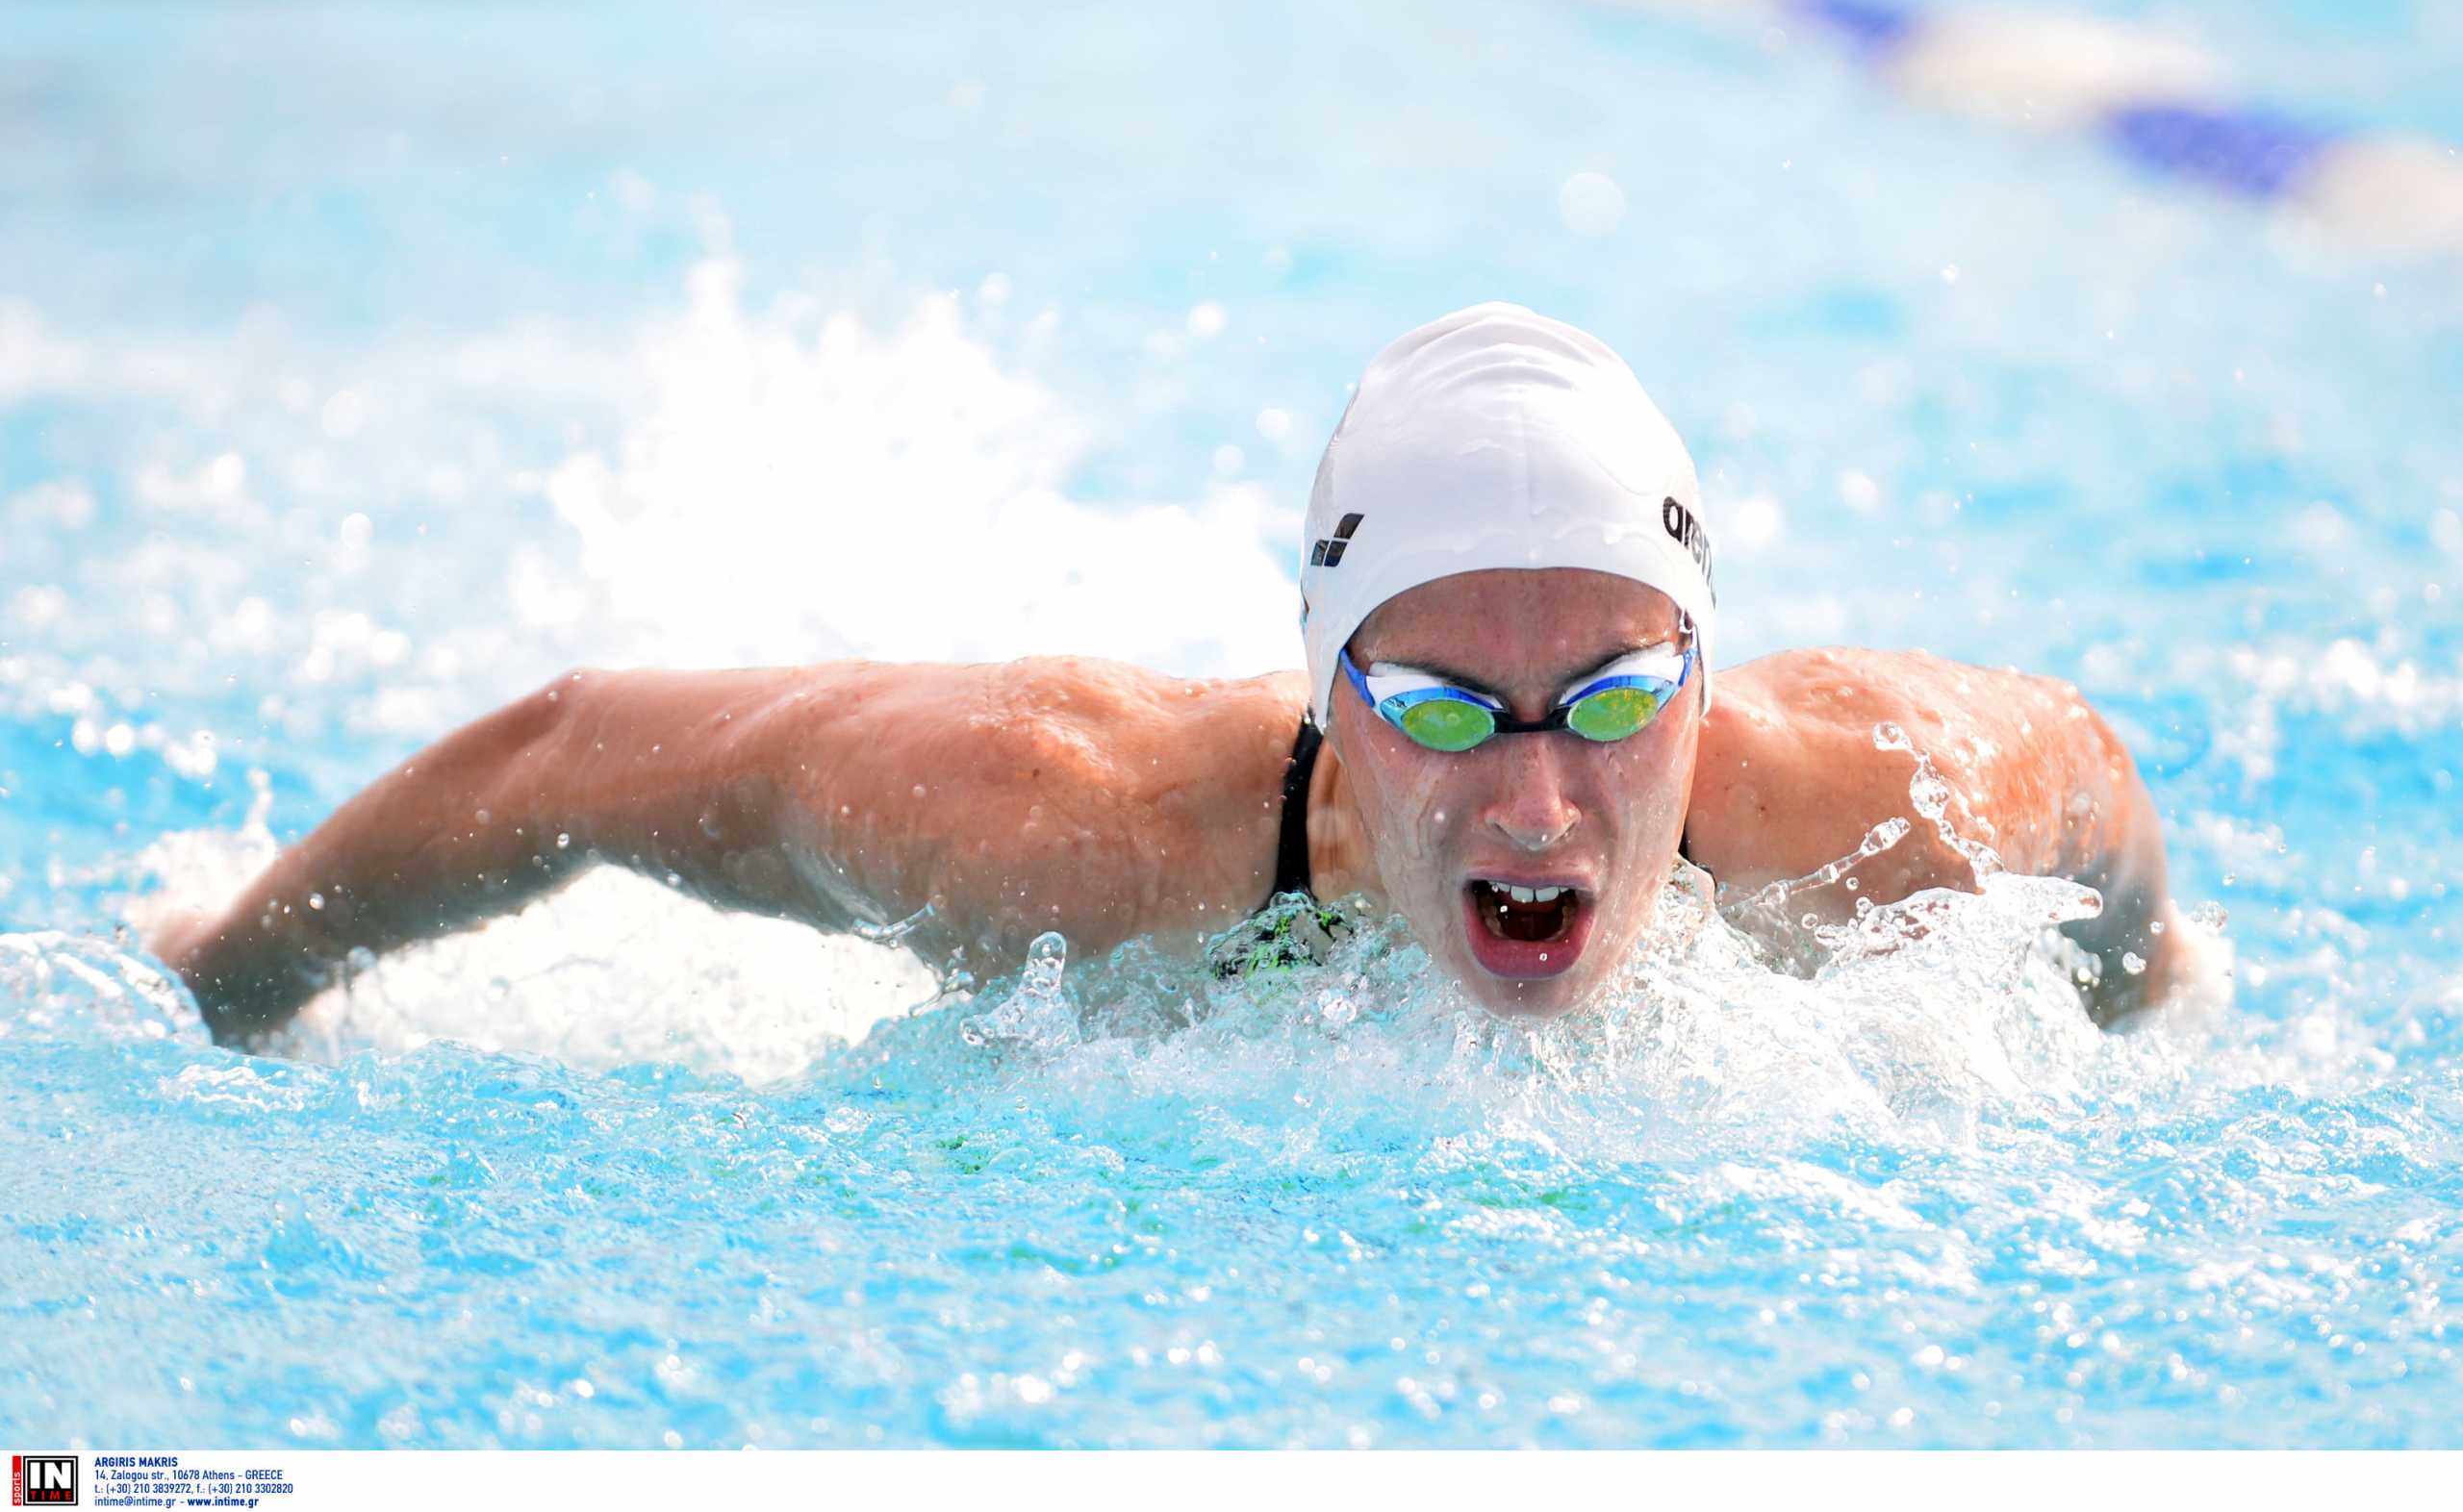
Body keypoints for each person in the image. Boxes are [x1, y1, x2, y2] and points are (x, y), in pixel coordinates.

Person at [150, 303, 2188, 1045]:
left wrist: (2137, 995)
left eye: (1613, 697)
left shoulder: (1874, 805)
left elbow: (2090, 788)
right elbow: (576, 749)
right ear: (1326, 701)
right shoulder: (1065, 832)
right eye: (1444, 709)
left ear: (1694, 670)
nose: (1537, 801)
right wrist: (237, 974)